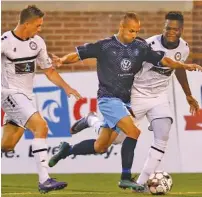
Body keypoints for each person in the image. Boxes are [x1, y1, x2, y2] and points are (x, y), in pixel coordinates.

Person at [48, 12, 201, 191]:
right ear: (121, 28)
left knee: (101, 146)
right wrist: (61, 61)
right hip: (111, 98)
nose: (134, 35)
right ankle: (125, 177)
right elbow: (79, 54)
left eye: (137, 31)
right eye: (131, 31)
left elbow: (164, 60)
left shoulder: (141, 47)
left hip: (134, 100)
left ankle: (70, 147)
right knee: (132, 132)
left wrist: (183, 66)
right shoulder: (105, 46)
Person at [1, 5, 82, 193]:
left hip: (26, 98)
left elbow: (49, 71)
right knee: (41, 126)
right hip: (9, 94)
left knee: (7, 145)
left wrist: (67, 87)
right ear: (26, 24)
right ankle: (44, 180)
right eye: (38, 25)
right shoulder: (4, 41)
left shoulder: (37, 43)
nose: (40, 29)